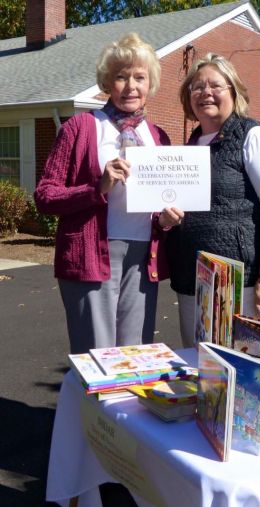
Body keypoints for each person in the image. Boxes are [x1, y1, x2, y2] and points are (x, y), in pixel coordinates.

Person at [34, 33, 180, 354]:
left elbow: (163, 203)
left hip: (143, 257)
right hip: (91, 255)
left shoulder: (158, 136)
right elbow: (45, 196)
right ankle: (90, 408)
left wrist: (167, 220)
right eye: (121, 77)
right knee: (96, 355)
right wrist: (97, 188)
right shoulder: (81, 128)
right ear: (107, 81)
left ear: (150, 83)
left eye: (139, 77)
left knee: (134, 354)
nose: (131, 86)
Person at [166, 53, 260, 348]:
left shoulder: (256, 138)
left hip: (245, 287)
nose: (205, 93)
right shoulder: (190, 148)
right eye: (197, 87)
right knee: (204, 375)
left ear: (234, 92)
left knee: (246, 379)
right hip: (195, 284)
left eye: (215, 85)